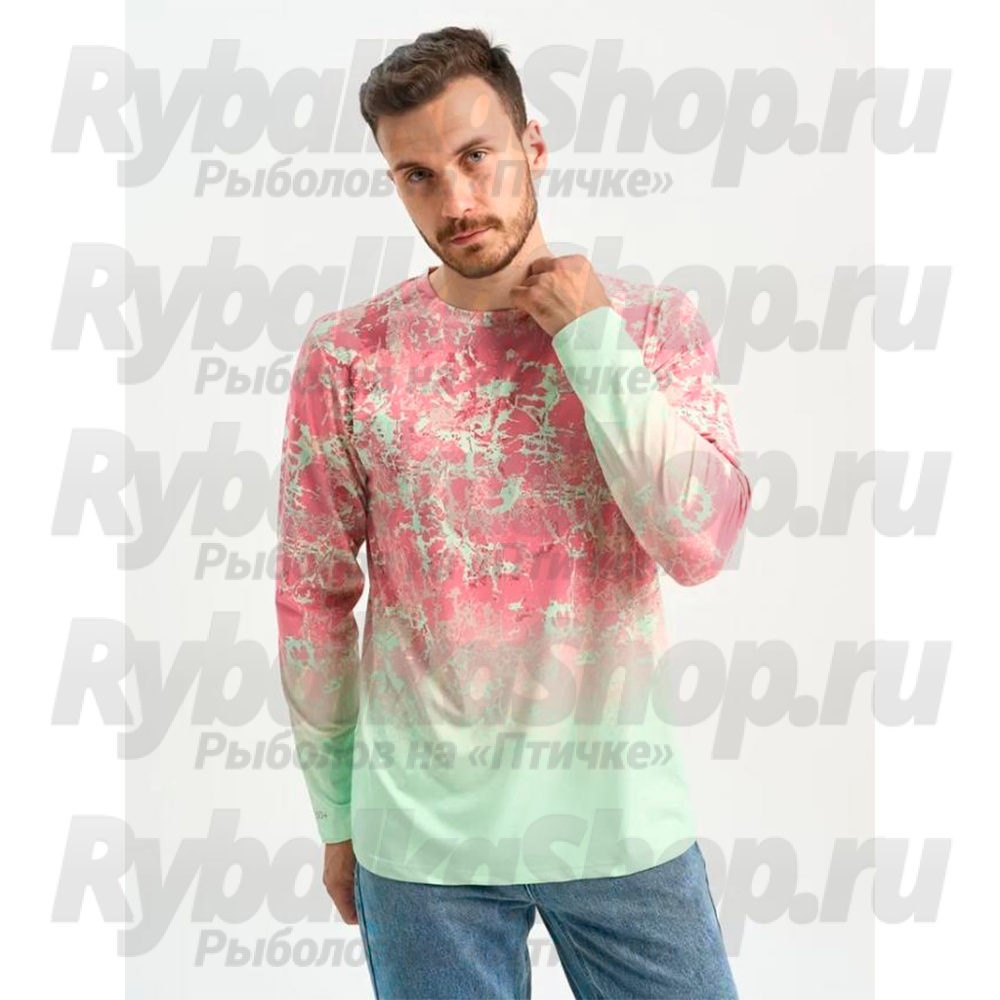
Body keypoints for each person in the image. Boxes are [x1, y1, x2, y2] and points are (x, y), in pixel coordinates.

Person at [275, 25, 750, 1000]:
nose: (456, 201)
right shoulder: (348, 354)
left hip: (619, 822)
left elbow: (700, 544)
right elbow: (311, 596)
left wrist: (592, 342)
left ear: (532, 146)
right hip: (422, 845)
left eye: (475, 157)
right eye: (416, 176)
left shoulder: (649, 326)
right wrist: (336, 813)